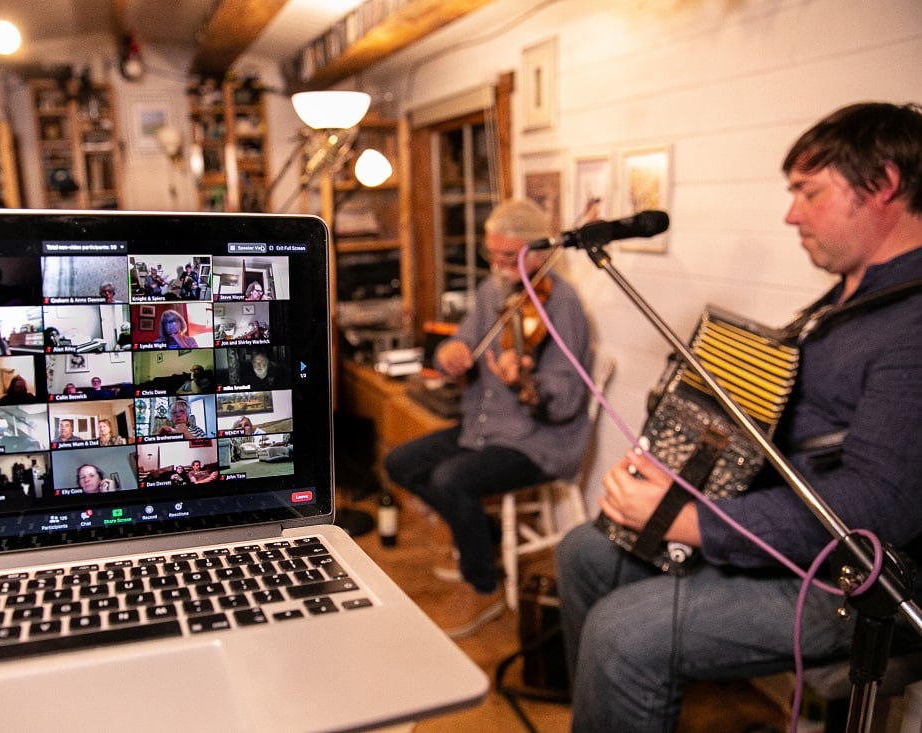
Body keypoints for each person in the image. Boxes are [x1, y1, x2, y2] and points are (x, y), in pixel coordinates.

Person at [556, 102, 922, 732]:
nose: (791, 214)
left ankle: (614, 683)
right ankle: (604, 707)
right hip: (779, 532)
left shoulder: (911, 325)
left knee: (623, 636)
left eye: (808, 193)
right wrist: (678, 471)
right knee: (585, 550)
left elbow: (879, 506)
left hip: (852, 580)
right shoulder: (844, 299)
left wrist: (691, 517)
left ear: (883, 184)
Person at [383, 198, 592, 638]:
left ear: (537, 252)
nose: (497, 264)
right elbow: (462, 341)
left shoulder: (563, 307)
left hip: (537, 440)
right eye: (491, 254)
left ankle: (483, 587)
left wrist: (523, 384)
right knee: (400, 462)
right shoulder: (492, 292)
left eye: (507, 255)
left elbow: (567, 399)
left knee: (450, 480)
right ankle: (478, 531)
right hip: (484, 427)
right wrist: (451, 353)